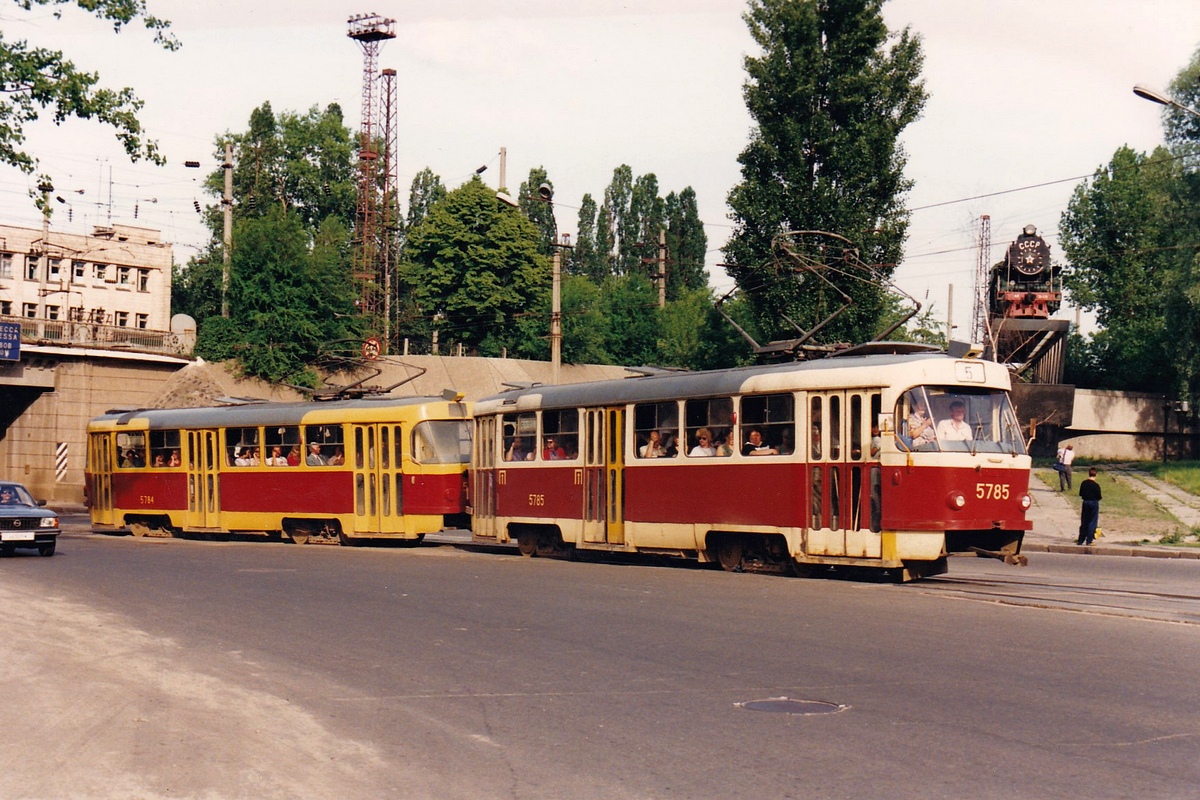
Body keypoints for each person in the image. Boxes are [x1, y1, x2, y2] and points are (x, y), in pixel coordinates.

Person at [1077, 466, 1102, 545]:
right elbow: (1099, 496)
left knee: (1084, 521)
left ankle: (1081, 540)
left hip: (1085, 502)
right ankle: (1089, 540)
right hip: (1093, 503)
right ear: (1096, 475)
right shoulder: (1096, 485)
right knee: (1092, 521)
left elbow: (1080, 493)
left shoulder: (1084, 483)